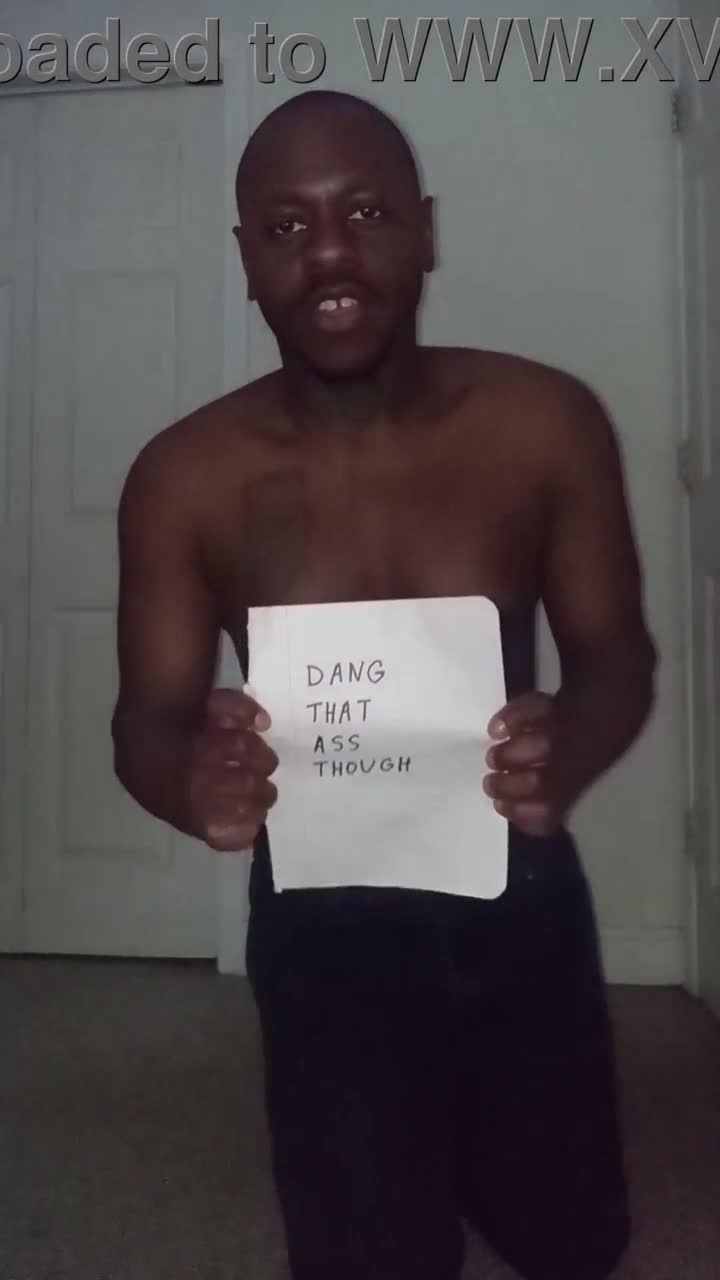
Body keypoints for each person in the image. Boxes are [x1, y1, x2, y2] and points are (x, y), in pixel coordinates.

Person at [112, 89, 656, 1280]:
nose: (331, 255)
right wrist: (188, 782)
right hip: (323, 930)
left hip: (519, 893)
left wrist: (573, 741)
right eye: (287, 226)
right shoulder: (184, 479)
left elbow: (618, 656)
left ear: (425, 229)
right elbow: (145, 721)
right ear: (247, 260)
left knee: (569, 1229)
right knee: (364, 1241)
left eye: (364, 212)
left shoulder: (544, 424)